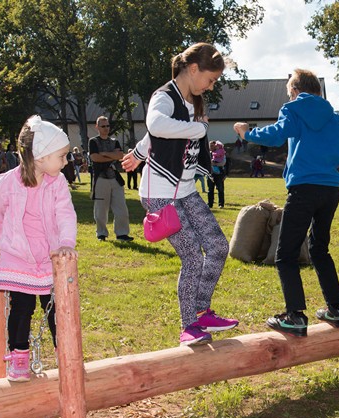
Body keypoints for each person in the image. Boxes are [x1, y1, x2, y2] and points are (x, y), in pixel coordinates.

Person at [233, 68, 339, 336]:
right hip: (330, 192)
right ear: (318, 92)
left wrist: (247, 132)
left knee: (286, 254)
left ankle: (295, 316)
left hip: (304, 189)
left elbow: (275, 135)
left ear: (295, 91)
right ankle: (337, 310)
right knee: (319, 249)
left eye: (290, 93)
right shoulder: (334, 119)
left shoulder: (293, 110)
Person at [122, 42, 237, 346]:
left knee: (217, 246)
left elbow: (153, 136)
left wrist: (137, 152)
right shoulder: (164, 96)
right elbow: (156, 124)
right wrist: (198, 131)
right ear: (194, 69)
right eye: (210, 80)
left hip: (185, 190)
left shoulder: (192, 101)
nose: (211, 87)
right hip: (160, 195)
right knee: (192, 258)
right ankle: (189, 327)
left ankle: (201, 310)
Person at [0, 115, 77, 382]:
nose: (66, 161)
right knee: (21, 308)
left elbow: (65, 215)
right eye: (62, 156)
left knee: (58, 308)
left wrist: (65, 244)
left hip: (50, 257)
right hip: (19, 257)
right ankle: (19, 358)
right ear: (41, 156)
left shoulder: (57, 183)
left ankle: (65, 354)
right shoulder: (6, 184)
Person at [89, 116, 133, 241]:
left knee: (121, 208)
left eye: (107, 126)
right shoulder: (93, 141)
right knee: (101, 210)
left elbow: (120, 155)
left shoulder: (115, 141)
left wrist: (104, 153)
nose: (106, 128)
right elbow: (95, 158)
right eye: (103, 126)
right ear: (97, 127)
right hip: (101, 178)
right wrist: (112, 156)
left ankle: (122, 233)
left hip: (115, 178)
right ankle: (101, 233)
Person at [207, 140, 226, 208]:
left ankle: (221, 204)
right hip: (210, 174)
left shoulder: (221, 153)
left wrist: (214, 163)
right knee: (210, 190)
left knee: (220, 189)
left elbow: (223, 163)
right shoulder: (208, 153)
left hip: (220, 174)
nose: (211, 147)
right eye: (210, 145)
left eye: (212, 145)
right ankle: (210, 204)